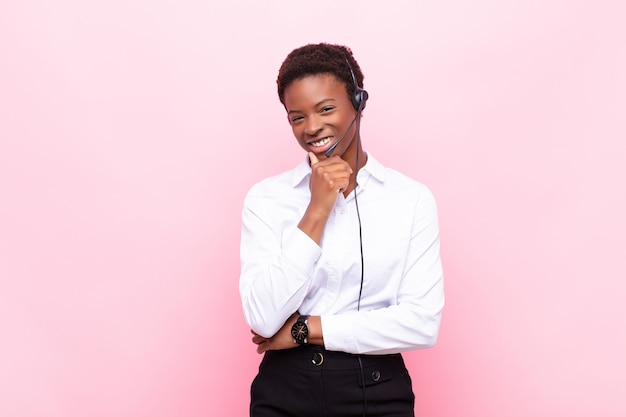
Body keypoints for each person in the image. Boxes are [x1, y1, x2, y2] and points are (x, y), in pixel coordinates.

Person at [239, 43, 444, 417]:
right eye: (296, 117)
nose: (312, 127)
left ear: (358, 102)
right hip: (286, 390)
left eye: (326, 109)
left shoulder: (411, 199)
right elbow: (263, 318)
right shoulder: (266, 198)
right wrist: (317, 210)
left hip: (379, 389)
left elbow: (421, 323)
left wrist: (306, 329)